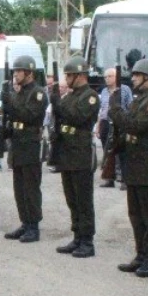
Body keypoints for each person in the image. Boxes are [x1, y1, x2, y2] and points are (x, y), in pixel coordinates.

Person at [112, 58, 148, 277]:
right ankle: (140, 254)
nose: (133, 78)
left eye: (137, 75)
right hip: (135, 164)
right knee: (135, 214)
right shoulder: (139, 100)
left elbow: (134, 125)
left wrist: (116, 110)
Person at [52, 56, 101, 258]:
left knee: (83, 200)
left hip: (81, 153)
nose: (66, 79)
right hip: (67, 152)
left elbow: (77, 116)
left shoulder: (90, 96)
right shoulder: (71, 96)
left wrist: (58, 103)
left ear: (80, 76)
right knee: (72, 198)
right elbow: (63, 114)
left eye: (69, 75)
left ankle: (87, 241)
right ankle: (77, 236)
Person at [3, 55, 49, 242]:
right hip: (18, 142)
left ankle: (34, 226)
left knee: (31, 188)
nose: (15, 74)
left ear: (29, 72)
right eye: (14, 71)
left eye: (18, 71)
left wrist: (8, 101)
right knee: (19, 188)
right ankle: (25, 222)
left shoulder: (37, 93)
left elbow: (27, 114)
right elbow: (13, 116)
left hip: (30, 143)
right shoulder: (19, 92)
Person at [97, 67, 133, 189]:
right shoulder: (104, 91)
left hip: (120, 123)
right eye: (105, 77)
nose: (107, 79)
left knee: (122, 152)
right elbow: (102, 110)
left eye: (110, 76)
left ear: (116, 77)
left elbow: (130, 107)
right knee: (108, 152)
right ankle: (109, 178)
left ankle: (124, 179)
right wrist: (98, 127)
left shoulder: (125, 89)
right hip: (106, 122)